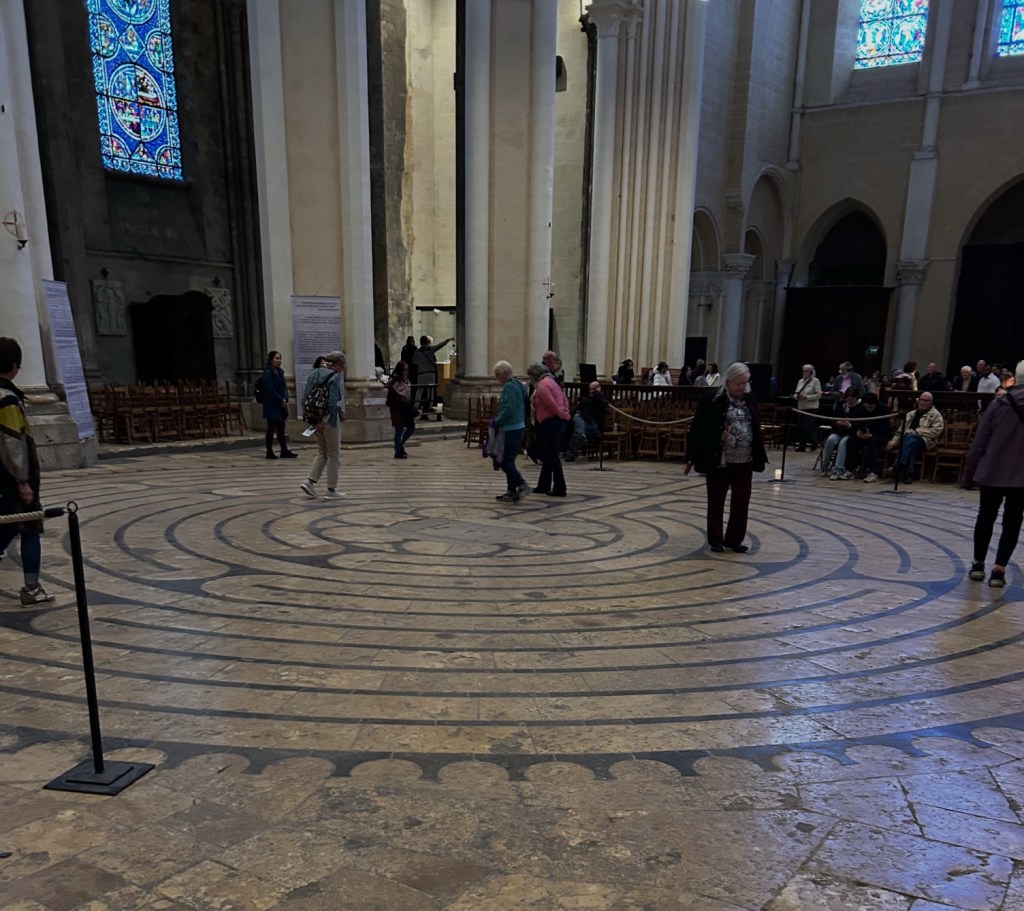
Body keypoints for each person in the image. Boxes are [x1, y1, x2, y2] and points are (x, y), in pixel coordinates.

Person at [684, 362, 768, 554]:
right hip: (719, 460)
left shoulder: (749, 399)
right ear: (728, 381)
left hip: (744, 460)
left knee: (741, 501)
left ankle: (734, 539)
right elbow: (698, 428)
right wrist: (691, 457)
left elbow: (754, 425)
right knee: (716, 500)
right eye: (738, 383)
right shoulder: (712, 399)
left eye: (744, 383)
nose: (741, 387)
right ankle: (716, 540)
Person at [0, 337, 54, 606]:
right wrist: (22, 480)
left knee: (6, 527)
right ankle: (32, 588)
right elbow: (13, 442)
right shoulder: (7, 400)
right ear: (15, 366)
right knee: (30, 527)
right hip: (11, 478)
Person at [962, 360, 1024, 588]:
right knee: (1013, 522)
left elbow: (980, 441)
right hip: (1021, 477)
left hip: (992, 470)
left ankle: (978, 564)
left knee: (985, 517)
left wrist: (969, 473)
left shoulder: (999, 404)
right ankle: (999, 570)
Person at [300, 350, 347, 500]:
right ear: (337, 364)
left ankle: (309, 481)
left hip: (313, 419)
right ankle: (331, 490)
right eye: (342, 366)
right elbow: (332, 403)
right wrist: (324, 421)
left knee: (322, 452)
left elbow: (305, 398)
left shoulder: (314, 373)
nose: (342, 370)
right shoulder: (334, 377)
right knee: (333, 454)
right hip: (329, 420)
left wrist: (313, 421)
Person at [527, 362, 570, 497]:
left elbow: (551, 403)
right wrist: (566, 412)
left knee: (552, 455)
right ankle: (543, 485)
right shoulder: (552, 382)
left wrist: (561, 414)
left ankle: (560, 487)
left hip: (551, 422)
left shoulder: (543, 385)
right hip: (556, 421)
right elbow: (564, 399)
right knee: (547, 455)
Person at [491, 361, 531, 503]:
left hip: (511, 428)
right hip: (516, 427)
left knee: (504, 461)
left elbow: (509, 408)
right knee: (509, 461)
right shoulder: (517, 384)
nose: (496, 377)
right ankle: (511, 491)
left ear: (505, 373)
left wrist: (497, 421)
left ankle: (522, 484)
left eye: (498, 374)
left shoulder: (511, 387)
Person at [886, 391, 943, 484]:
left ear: (930, 402)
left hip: (925, 441)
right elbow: (900, 431)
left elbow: (936, 432)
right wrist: (893, 441)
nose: (922, 402)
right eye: (921, 400)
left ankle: (897, 465)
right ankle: (908, 474)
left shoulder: (936, 415)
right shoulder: (910, 414)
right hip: (908, 440)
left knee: (910, 439)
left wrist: (917, 431)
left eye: (926, 400)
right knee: (910, 444)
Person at [846, 392, 892, 483]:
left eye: (871, 407)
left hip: (879, 436)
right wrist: (858, 432)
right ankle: (850, 469)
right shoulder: (860, 409)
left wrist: (872, 434)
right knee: (851, 440)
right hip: (864, 435)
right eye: (867, 407)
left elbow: (885, 428)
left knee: (873, 442)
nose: (869, 409)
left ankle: (873, 472)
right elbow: (855, 424)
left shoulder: (883, 410)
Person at [261, 350, 297, 460]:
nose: (279, 360)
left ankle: (284, 450)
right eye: (276, 358)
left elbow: (284, 387)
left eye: (280, 358)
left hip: (281, 404)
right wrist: (280, 399)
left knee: (281, 428)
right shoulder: (267, 372)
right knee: (271, 428)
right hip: (272, 404)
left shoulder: (280, 372)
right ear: (271, 360)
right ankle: (269, 451)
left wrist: (285, 398)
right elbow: (269, 388)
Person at [820, 389, 864, 480]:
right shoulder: (841, 405)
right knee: (830, 440)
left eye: (852, 399)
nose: (849, 401)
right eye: (847, 398)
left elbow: (860, 425)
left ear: (856, 398)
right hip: (838, 432)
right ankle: (824, 466)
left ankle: (837, 470)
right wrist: (838, 422)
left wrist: (849, 425)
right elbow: (832, 419)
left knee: (843, 443)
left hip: (850, 434)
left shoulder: (860, 408)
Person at [566, 381, 608, 462]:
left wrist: (597, 393)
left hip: (593, 424)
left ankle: (572, 452)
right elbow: (578, 409)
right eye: (590, 389)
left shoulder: (602, 399)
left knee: (577, 432)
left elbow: (604, 403)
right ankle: (573, 450)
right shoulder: (585, 399)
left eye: (594, 389)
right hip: (582, 419)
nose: (591, 391)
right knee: (577, 420)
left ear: (599, 389)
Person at [412, 335, 452, 415]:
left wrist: (421, 363)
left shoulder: (417, 352)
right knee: (430, 390)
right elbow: (440, 345)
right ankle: (429, 406)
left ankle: (416, 406)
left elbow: (414, 361)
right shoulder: (430, 349)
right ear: (427, 342)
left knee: (419, 390)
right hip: (430, 372)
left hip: (421, 373)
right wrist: (447, 340)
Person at [385, 360, 416, 459]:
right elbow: (390, 399)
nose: (405, 372)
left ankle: (400, 445)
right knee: (399, 429)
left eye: (407, 370)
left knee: (411, 427)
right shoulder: (394, 383)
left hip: (406, 409)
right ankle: (398, 451)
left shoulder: (407, 381)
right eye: (404, 370)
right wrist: (400, 399)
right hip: (397, 409)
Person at [793, 364, 822, 452]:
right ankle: (802, 446)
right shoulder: (800, 381)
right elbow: (796, 392)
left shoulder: (815, 381)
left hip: (811, 407)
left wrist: (807, 397)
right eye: (803, 371)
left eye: (806, 371)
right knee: (801, 427)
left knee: (808, 427)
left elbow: (818, 395)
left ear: (811, 372)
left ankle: (814, 443)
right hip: (801, 407)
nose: (804, 373)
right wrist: (796, 397)